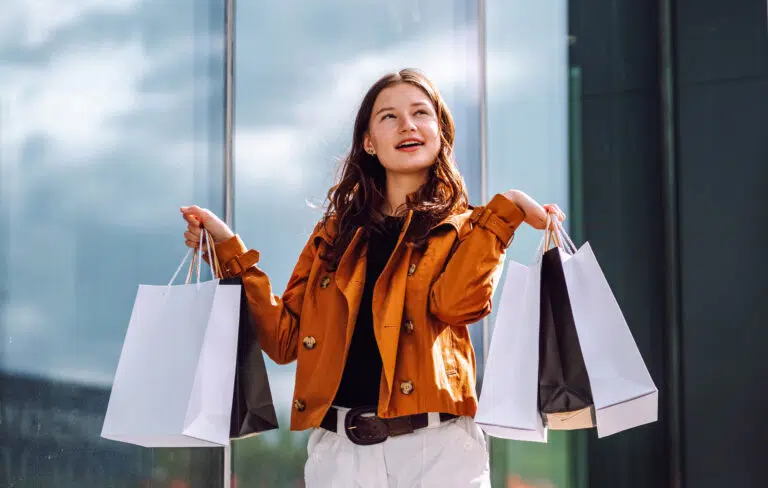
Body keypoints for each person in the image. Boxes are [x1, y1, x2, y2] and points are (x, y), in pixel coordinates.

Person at [180, 68, 564, 487]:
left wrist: (505, 211)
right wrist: (227, 249)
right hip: (339, 455)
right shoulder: (334, 235)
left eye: (421, 113)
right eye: (389, 117)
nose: (407, 125)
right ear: (368, 142)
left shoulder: (469, 229)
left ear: (440, 132)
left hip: (438, 453)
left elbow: (456, 305)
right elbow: (285, 341)